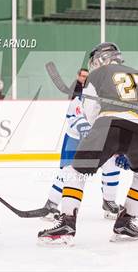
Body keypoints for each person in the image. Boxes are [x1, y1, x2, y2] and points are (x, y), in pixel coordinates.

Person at [38, 42, 138, 245]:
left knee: (76, 171)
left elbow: (91, 112)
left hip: (108, 125)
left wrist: (110, 143)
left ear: (101, 59)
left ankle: (67, 223)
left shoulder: (97, 75)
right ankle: (125, 222)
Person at [43, 68, 130, 220]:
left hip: (99, 138)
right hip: (75, 140)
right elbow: (73, 116)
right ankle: (51, 204)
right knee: (69, 172)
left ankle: (109, 202)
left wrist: (121, 150)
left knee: (112, 164)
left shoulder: (109, 101)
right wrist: (86, 131)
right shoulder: (80, 99)